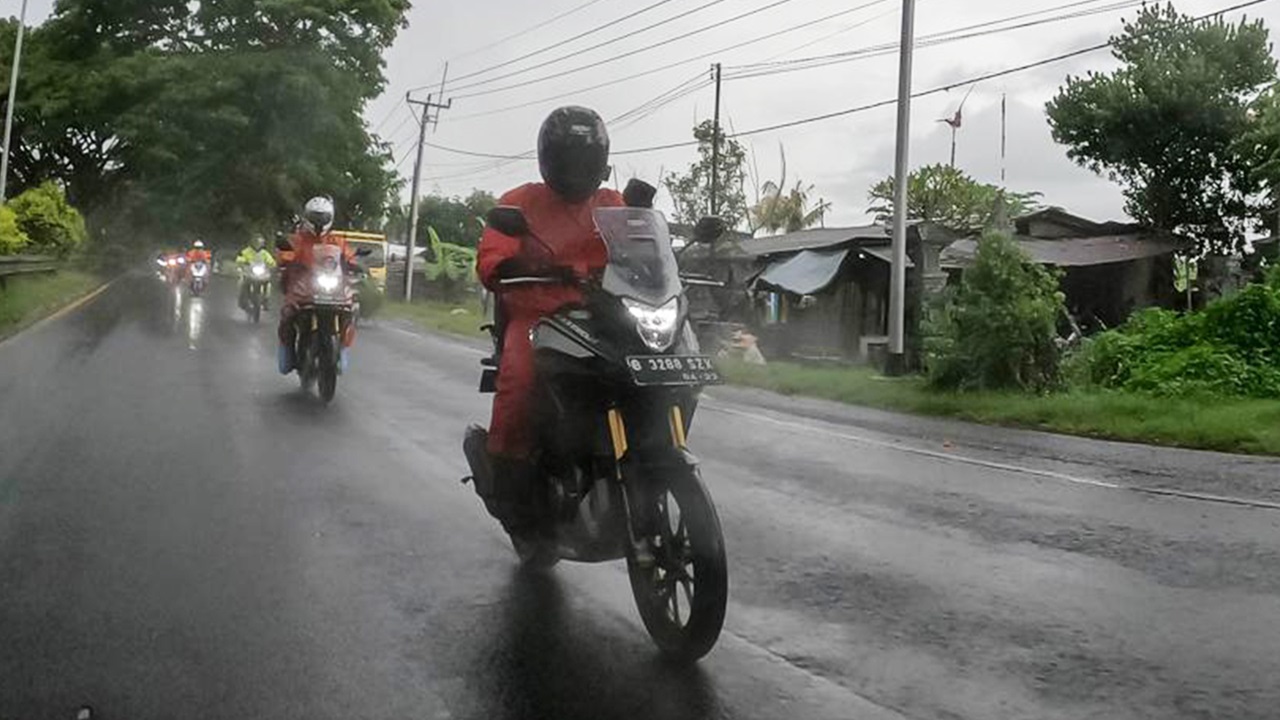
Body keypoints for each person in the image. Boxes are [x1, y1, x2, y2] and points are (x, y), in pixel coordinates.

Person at [475, 105, 654, 530]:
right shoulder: (519, 202)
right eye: (567, 162)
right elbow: (491, 258)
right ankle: (508, 470)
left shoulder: (612, 204)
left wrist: (652, 232)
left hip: (605, 315)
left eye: (584, 163)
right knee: (519, 377)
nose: (575, 172)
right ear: (548, 162)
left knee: (653, 364)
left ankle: (647, 450)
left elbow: (644, 248)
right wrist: (510, 268)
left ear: (601, 164)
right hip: (538, 316)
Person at [276, 197, 357, 374]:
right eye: (315, 217)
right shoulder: (298, 239)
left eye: (323, 218)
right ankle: (287, 352)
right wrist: (285, 258)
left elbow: (349, 256)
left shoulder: (336, 241)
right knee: (288, 315)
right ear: (307, 217)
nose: (319, 222)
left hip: (332, 288)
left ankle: (342, 350)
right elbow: (284, 254)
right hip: (303, 287)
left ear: (331, 218)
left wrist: (356, 263)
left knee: (349, 312)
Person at [236, 235, 277, 309]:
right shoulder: (246, 251)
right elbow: (239, 259)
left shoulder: (264, 253)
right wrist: (243, 262)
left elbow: (271, 261)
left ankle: (265, 300)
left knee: (268, 285)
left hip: (261, 274)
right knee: (242, 282)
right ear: (252, 243)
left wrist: (272, 264)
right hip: (249, 272)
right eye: (256, 243)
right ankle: (242, 299)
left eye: (260, 243)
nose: (258, 245)